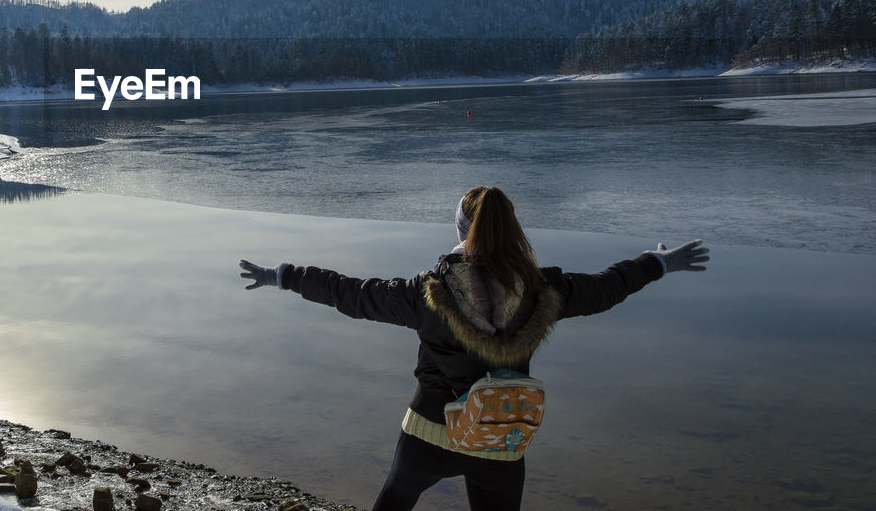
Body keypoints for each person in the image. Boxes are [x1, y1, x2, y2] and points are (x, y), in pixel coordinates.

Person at [238, 185, 709, 511]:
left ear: (461, 229)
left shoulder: (428, 292)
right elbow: (607, 286)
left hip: (430, 430)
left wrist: (283, 275)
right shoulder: (543, 289)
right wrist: (657, 263)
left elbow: (351, 292)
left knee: (394, 503)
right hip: (500, 436)